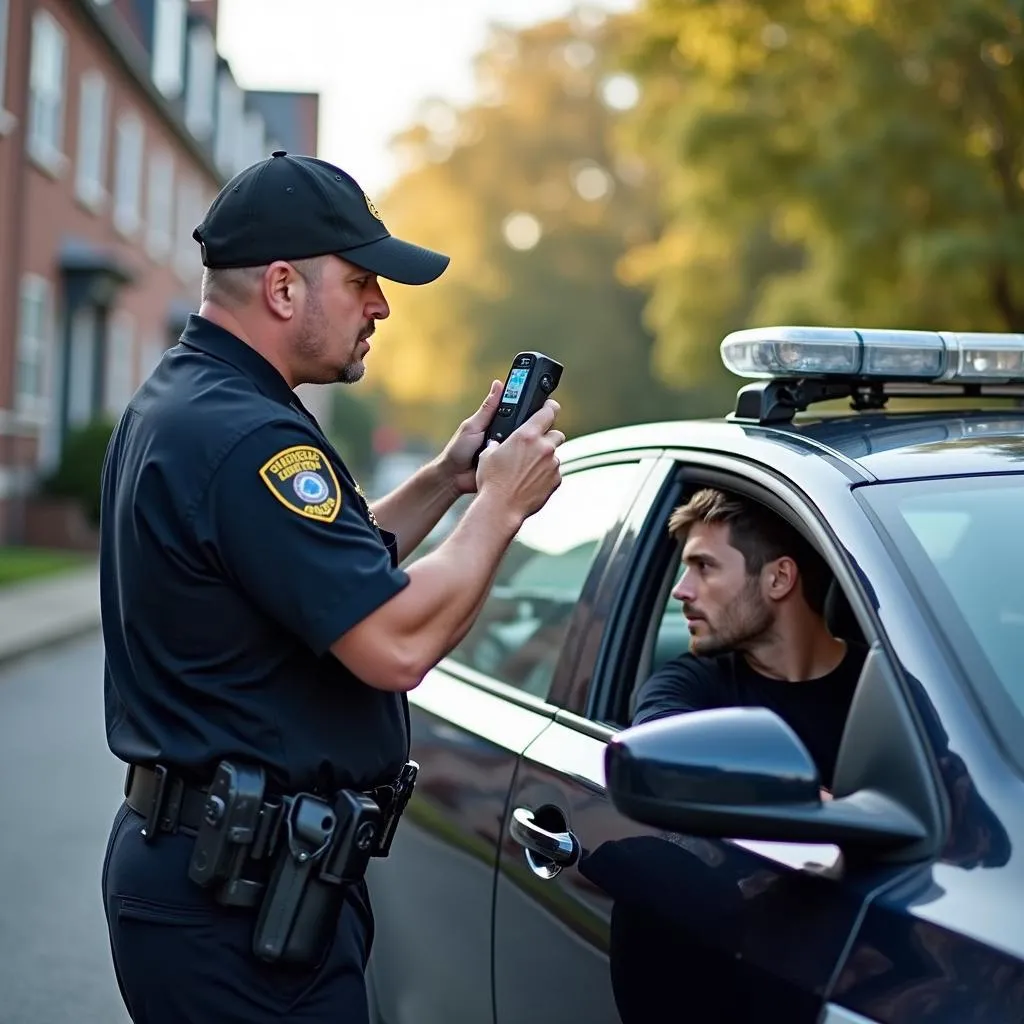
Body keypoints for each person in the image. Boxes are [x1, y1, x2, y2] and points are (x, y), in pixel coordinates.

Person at [99, 151, 563, 1024]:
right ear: (282, 288)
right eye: (362, 282)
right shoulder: (253, 442)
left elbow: (309, 577)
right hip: (235, 900)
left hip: (226, 880)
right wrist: (500, 507)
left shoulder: (194, 400)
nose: (381, 305)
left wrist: (447, 479)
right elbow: (392, 643)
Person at [632, 487, 867, 792]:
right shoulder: (689, 682)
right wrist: (813, 803)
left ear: (779, 578)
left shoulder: (892, 687)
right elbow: (655, 751)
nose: (680, 590)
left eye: (703, 566)